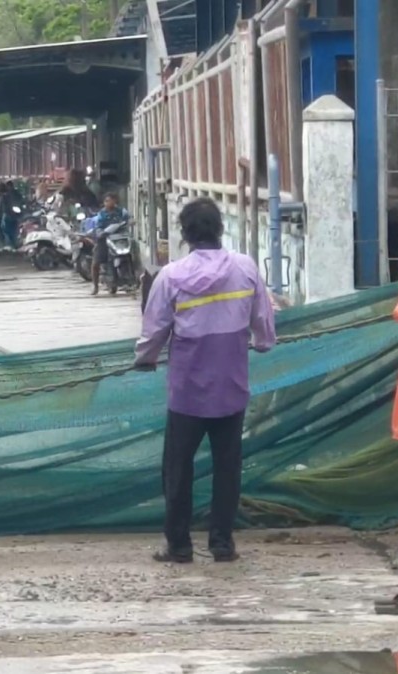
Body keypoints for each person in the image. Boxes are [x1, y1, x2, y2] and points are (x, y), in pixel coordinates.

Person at [134, 198, 276, 564]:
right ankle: (222, 543)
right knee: (227, 467)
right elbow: (263, 319)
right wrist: (263, 342)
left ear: (184, 233)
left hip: (187, 392)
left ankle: (179, 545)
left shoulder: (171, 276)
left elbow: (154, 330)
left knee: (177, 469)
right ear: (219, 229)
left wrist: (145, 359)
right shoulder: (245, 268)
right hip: (231, 387)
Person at [90, 193, 131, 296]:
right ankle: (95, 286)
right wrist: (100, 233)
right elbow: (98, 226)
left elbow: (129, 219)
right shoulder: (101, 214)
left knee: (129, 256)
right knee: (96, 262)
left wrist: (130, 222)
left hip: (119, 239)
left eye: (111, 200)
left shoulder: (121, 212)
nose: (109, 203)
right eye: (107, 201)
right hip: (104, 239)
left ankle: (129, 279)